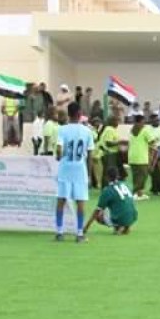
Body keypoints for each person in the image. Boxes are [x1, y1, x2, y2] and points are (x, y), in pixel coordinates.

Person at [54, 103, 95, 243]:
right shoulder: (87, 131)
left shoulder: (62, 130)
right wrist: (89, 174)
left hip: (65, 168)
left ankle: (59, 232)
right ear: (79, 114)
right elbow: (90, 154)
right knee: (80, 202)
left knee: (61, 200)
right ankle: (79, 234)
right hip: (79, 169)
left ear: (68, 113)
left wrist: (59, 156)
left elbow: (59, 150)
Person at [84, 167, 138, 237]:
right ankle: (127, 226)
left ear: (107, 177)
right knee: (121, 205)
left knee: (100, 214)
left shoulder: (107, 190)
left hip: (121, 217)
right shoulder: (125, 184)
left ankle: (118, 227)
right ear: (118, 176)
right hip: (133, 216)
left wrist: (86, 227)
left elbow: (97, 211)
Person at [127, 114, 156, 200]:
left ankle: (139, 194)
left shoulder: (132, 130)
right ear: (139, 122)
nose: (144, 124)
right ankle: (134, 193)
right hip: (141, 157)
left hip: (132, 156)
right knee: (143, 176)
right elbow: (152, 141)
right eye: (143, 122)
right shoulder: (145, 130)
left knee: (136, 176)